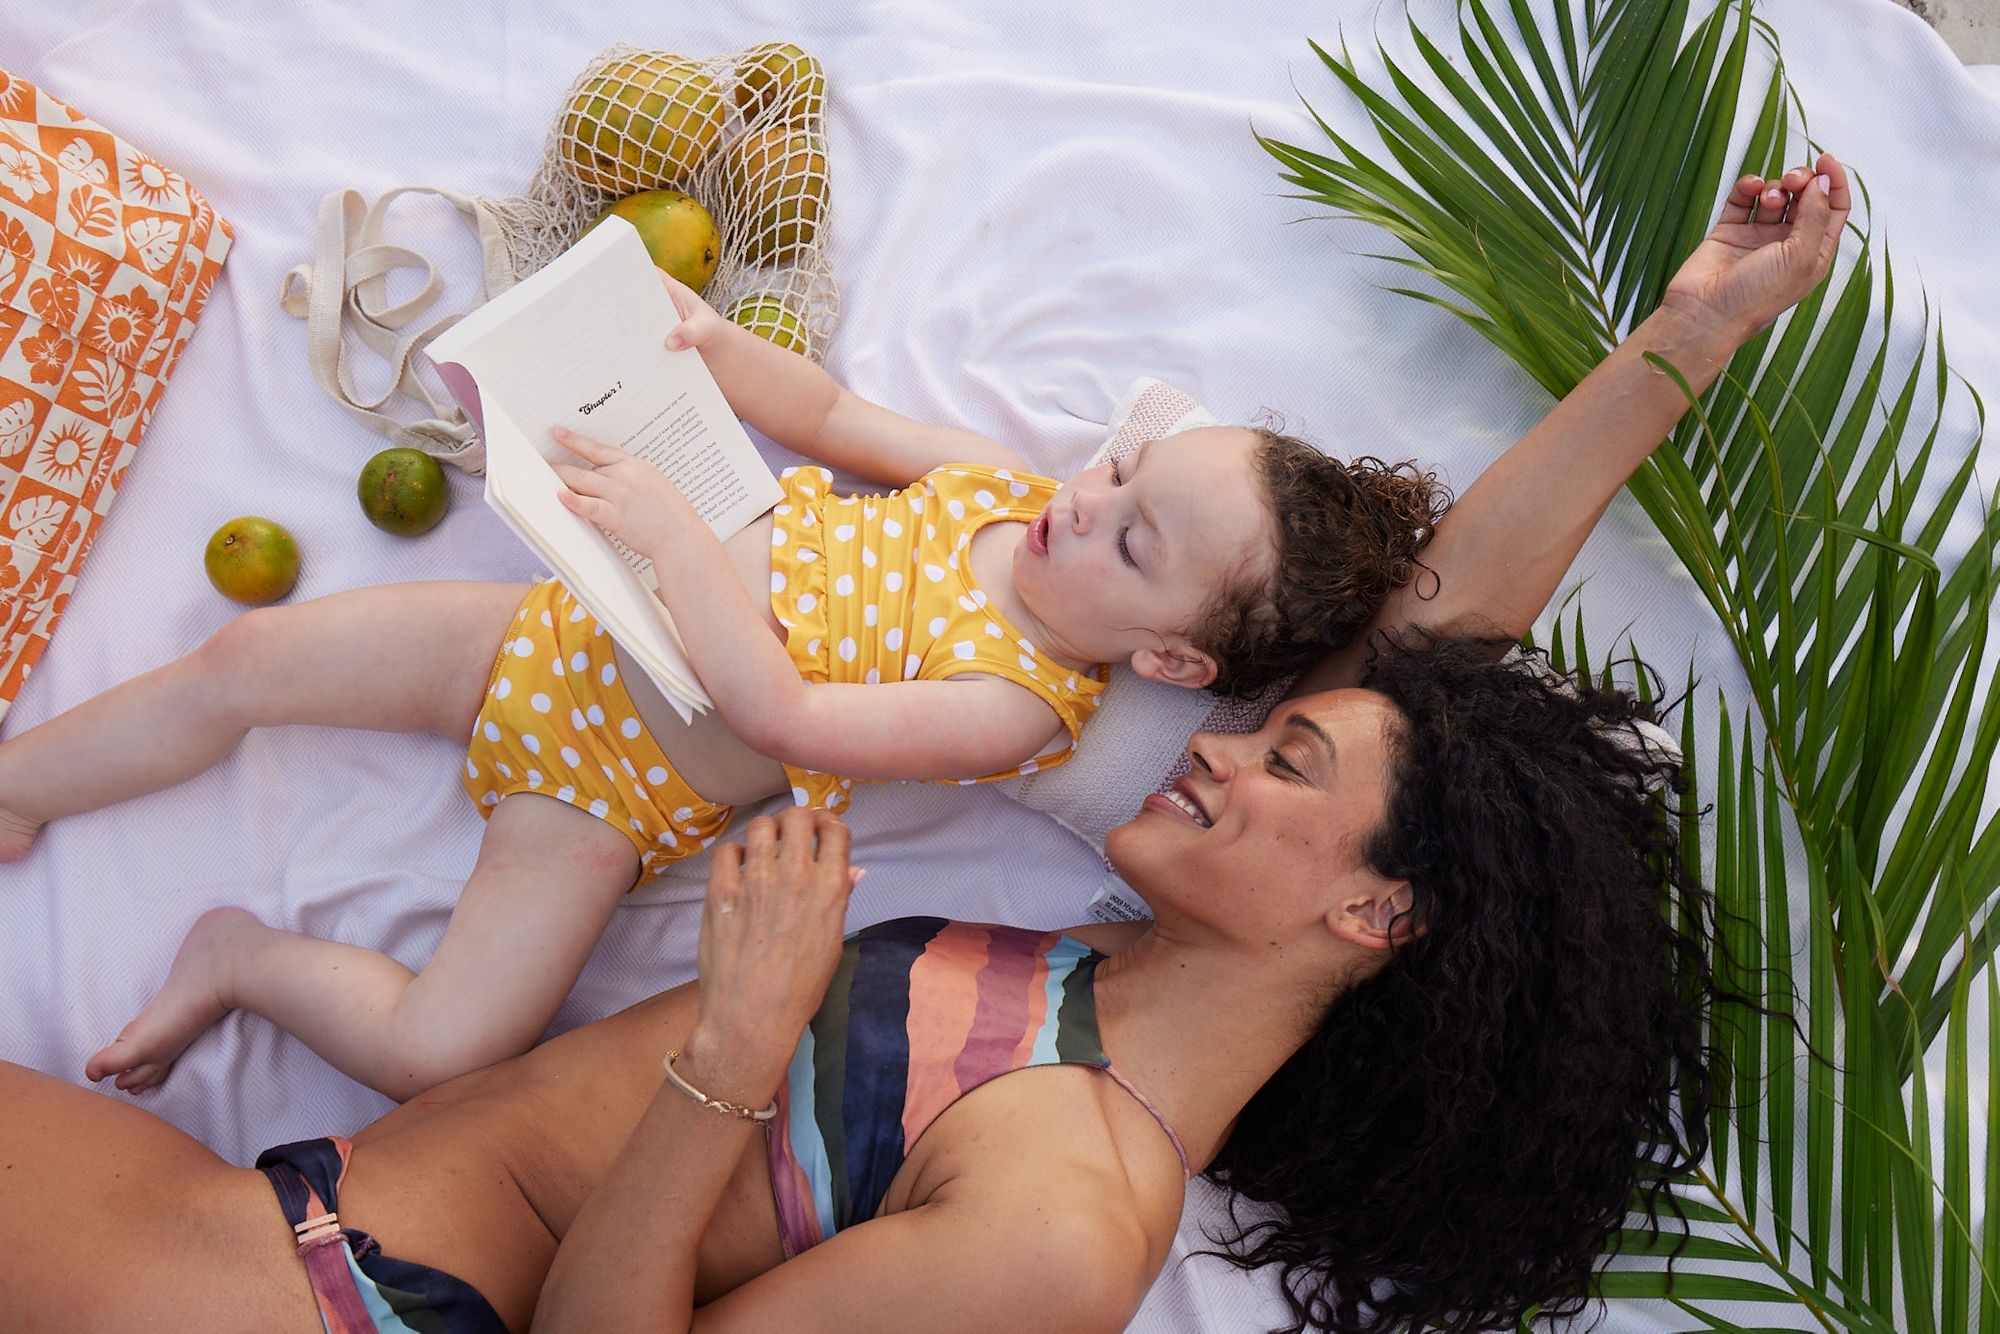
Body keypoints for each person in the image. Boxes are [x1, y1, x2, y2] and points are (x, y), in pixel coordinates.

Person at [0, 157, 1848, 1332]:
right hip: (278, 1227)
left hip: (321, 1293)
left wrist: (734, 1051)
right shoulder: (1105, 963)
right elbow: (1439, 640)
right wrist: (1683, 340)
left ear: (1377, 914)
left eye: (1286, 764)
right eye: (1268, 728)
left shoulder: (1069, 1224)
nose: (1223, 752)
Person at [0, 268, 1440, 1103]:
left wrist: (681, 545)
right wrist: (709, 342)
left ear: (1171, 662)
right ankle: (21, 781)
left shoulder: (1020, 700)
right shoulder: (997, 492)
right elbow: (829, 417)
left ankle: (239, 956)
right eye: (1121, 469)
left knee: (446, 1046)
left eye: (1132, 536)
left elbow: (787, 716)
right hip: (558, 636)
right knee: (250, 658)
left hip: (604, 787)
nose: (1088, 498)